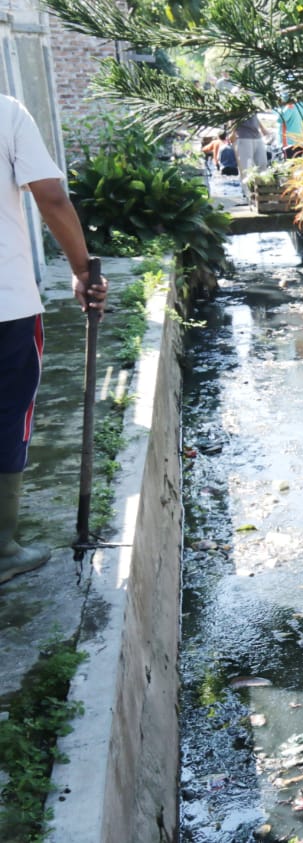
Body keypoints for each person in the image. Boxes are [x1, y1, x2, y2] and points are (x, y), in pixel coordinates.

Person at [1, 94, 108, 583]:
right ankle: (2, 548)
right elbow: (51, 198)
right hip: (6, 305)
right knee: (6, 414)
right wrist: (84, 271)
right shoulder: (7, 112)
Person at [233, 112, 268, 177]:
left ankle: (262, 185)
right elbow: (230, 115)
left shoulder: (251, 104)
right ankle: (247, 186)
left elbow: (254, 115)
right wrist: (232, 132)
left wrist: (262, 128)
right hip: (243, 136)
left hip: (257, 135)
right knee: (247, 167)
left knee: (263, 164)